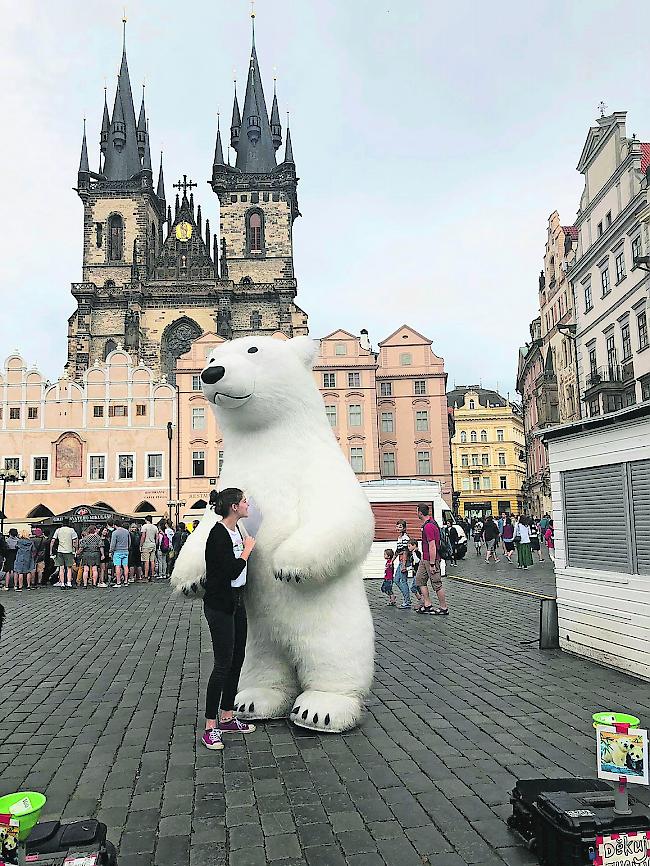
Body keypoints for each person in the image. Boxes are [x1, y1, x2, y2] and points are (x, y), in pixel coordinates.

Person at [201, 488, 257, 751]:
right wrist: (247, 551)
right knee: (222, 664)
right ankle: (210, 726)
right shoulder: (218, 534)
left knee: (237, 659)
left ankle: (227, 715)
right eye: (245, 501)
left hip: (237, 601)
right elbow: (229, 570)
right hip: (219, 605)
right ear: (234, 507)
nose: (248, 505)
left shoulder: (238, 531)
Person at [415, 503, 448, 615]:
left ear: (420, 512)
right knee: (420, 580)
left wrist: (433, 564)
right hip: (424, 559)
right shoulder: (427, 524)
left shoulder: (429, 526)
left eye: (416, 511)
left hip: (431, 560)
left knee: (436, 584)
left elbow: (432, 545)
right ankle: (427, 604)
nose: (416, 513)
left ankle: (443, 608)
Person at [53, 518, 78, 588]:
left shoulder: (58, 530)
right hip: (69, 551)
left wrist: (51, 550)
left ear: (62, 523)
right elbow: (75, 541)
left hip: (60, 551)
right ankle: (69, 583)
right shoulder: (71, 530)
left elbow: (53, 540)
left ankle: (62, 583)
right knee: (69, 568)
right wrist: (75, 549)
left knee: (61, 568)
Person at [109, 519, 130, 587]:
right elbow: (129, 542)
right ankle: (126, 581)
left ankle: (118, 582)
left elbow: (113, 544)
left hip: (117, 551)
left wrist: (111, 551)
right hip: (125, 551)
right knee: (125, 566)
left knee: (118, 567)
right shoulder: (126, 531)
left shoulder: (115, 533)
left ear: (115, 525)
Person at [140, 515, 158, 581]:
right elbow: (157, 537)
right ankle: (152, 575)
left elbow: (143, 536)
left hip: (146, 545)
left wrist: (141, 545)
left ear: (146, 520)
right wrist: (155, 544)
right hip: (153, 544)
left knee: (146, 561)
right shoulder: (155, 527)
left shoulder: (144, 526)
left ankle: (146, 576)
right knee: (152, 561)